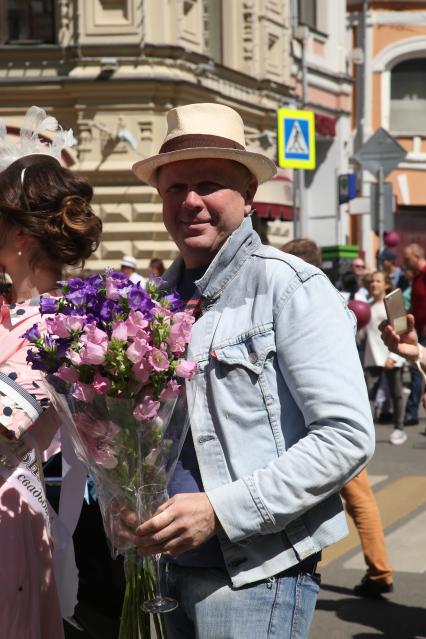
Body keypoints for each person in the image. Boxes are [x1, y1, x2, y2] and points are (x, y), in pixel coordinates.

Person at [117, 102, 374, 639]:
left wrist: (221, 510)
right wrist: (125, 497)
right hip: (162, 572)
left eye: (208, 183)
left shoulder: (291, 287)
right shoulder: (155, 304)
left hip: (253, 577)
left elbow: (347, 437)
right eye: (173, 187)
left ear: (248, 196)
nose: (189, 201)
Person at [0, 128, 102, 636]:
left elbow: (5, 425)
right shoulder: (10, 314)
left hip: (9, 516)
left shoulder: (59, 328)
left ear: (20, 235)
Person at [282, 240, 393, 597]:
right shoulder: (336, 301)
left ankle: (302, 571)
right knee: (359, 500)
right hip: (341, 416)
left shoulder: (301, 302)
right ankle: (379, 571)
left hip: (311, 422)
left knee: (301, 500)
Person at [402, 243, 426, 426]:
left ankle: (411, 413)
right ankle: (411, 413)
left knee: (418, 372)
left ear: (417, 257)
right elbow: (416, 305)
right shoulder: (417, 277)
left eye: (407, 258)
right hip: (418, 331)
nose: (404, 262)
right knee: (418, 371)